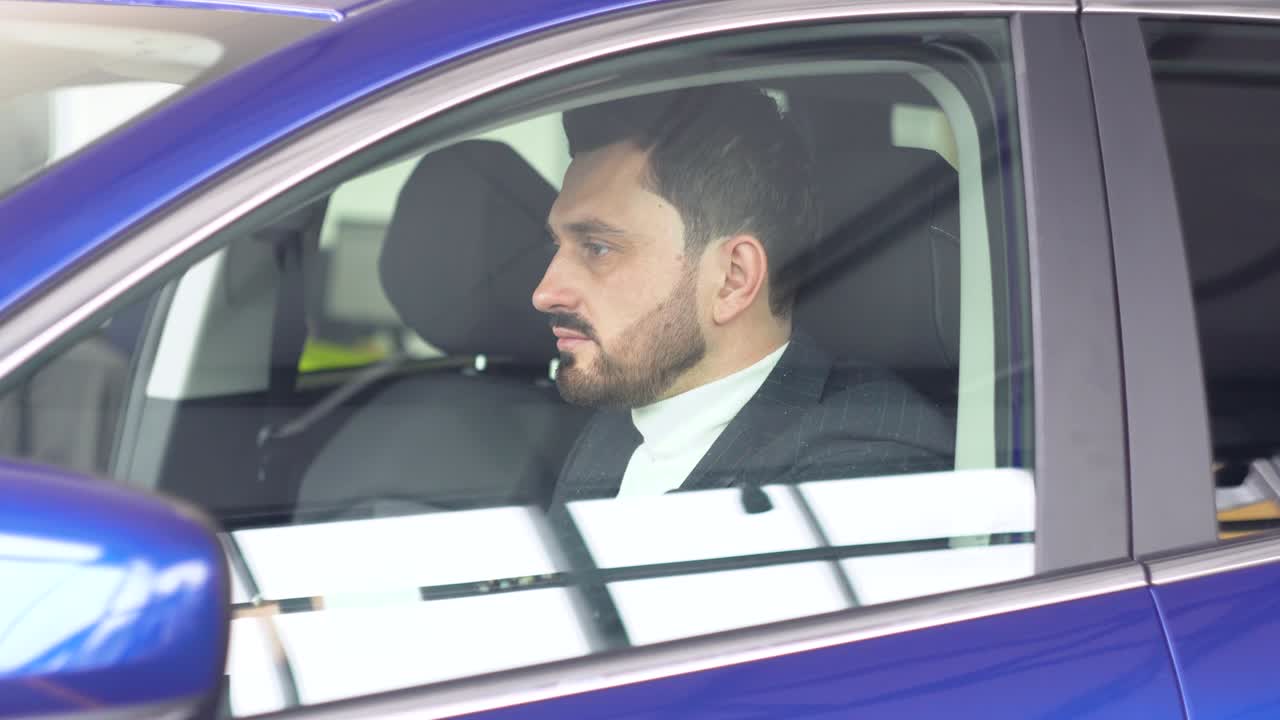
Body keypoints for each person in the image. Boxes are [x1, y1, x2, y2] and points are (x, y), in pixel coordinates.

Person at [533, 84, 953, 505]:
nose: (545, 292)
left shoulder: (864, 471)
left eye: (598, 248)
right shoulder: (621, 415)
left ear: (733, 278)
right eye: (558, 245)